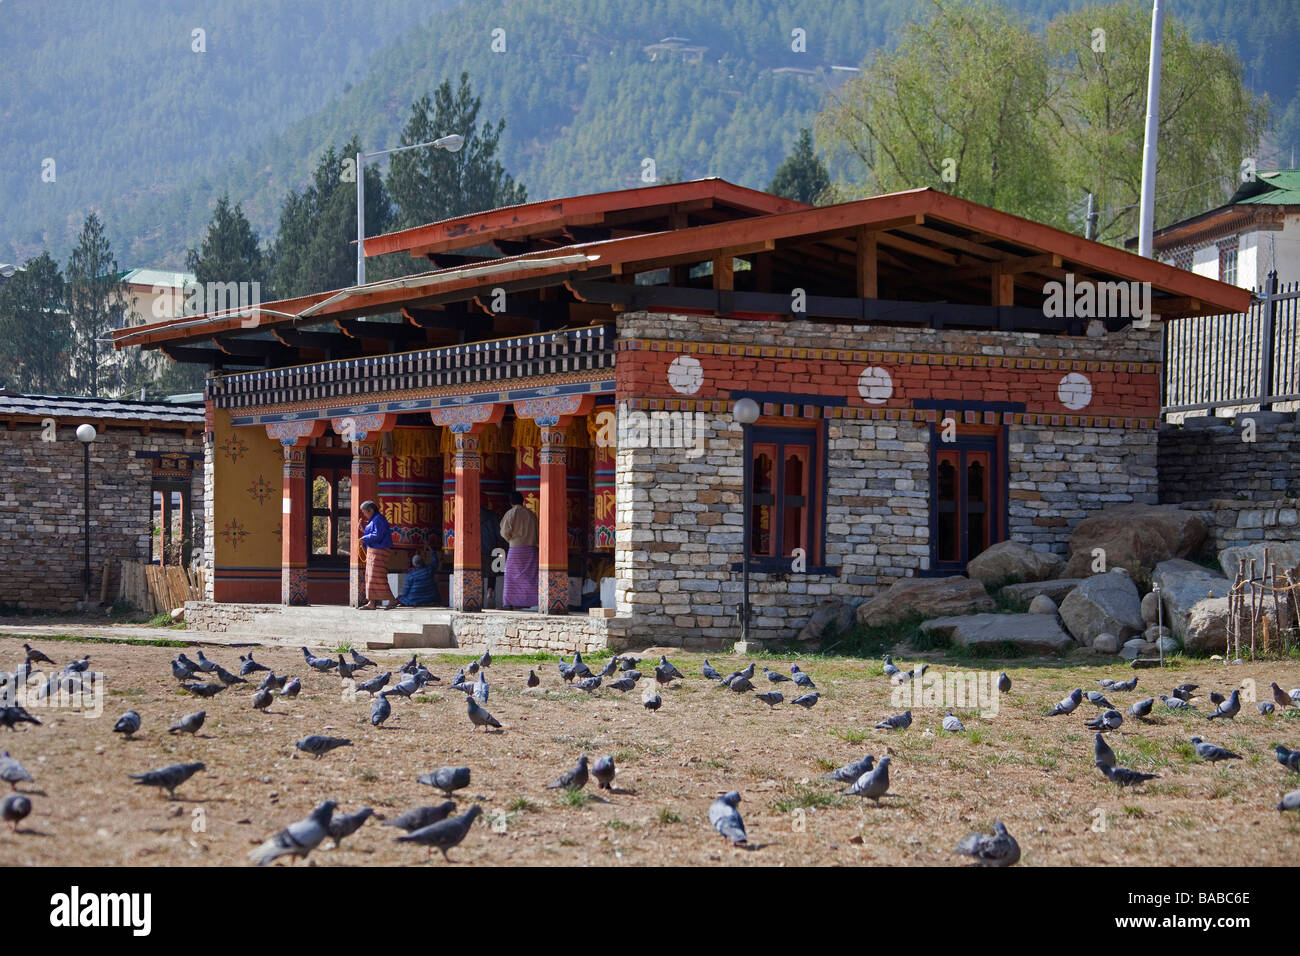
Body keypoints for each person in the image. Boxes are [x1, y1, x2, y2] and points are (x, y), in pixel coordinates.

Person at [499, 491, 538, 610]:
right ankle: (531, 601)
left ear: (510, 502)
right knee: (530, 576)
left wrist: (511, 540)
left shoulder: (511, 513)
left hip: (516, 549)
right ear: (523, 501)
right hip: (531, 549)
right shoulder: (531, 514)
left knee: (511, 576)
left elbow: (505, 532)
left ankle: (509, 602)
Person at [358, 500, 393, 610]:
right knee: (370, 577)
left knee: (377, 576)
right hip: (373, 550)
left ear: (371, 510)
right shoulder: (373, 520)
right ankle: (371, 602)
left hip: (380, 550)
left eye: (365, 512)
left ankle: (392, 600)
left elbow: (378, 535)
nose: (364, 515)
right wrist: (363, 530)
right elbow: (374, 533)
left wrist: (364, 538)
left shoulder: (379, 519)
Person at [480, 506, 505, 609]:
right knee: (492, 572)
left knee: (478, 573)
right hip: (493, 549)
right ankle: (490, 591)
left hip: (477, 549)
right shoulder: (493, 516)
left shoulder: (471, 514)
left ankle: (478, 595)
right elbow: (499, 534)